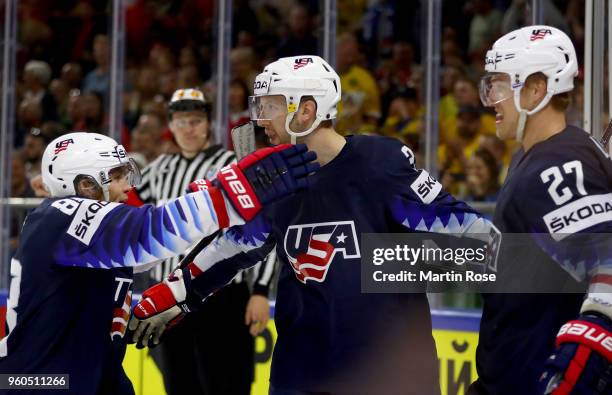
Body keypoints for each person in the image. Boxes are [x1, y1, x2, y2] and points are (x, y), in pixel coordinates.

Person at [129, 55, 496, 395]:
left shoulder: (378, 163)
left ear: (306, 110)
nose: (259, 118)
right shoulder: (273, 176)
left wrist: (383, 264)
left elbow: (476, 239)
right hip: (301, 375)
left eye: (270, 105)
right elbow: (234, 246)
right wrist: (179, 291)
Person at [0, 131, 316, 395]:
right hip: (39, 381)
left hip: (89, 375)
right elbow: (153, 233)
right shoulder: (58, 216)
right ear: (84, 185)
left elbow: (175, 248)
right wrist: (238, 190)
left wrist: (246, 233)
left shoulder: (93, 239)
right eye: (116, 175)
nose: (129, 185)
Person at [470, 25, 612, 394]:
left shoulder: (557, 163)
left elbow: (607, 259)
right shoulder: (536, 157)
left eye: (500, 85)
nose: (491, 100)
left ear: (536, 89)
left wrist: (590, 347)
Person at [128, 88, 276, 395]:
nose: (189, 129)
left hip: (221, 294)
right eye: (181, 122)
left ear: (208, 123)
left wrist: (260, 290)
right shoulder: (160, 169)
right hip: (168, 295)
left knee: (227, 382)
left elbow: (266, 227)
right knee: (180, 382)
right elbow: (128, 213)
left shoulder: (233, 162)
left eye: (195, 121)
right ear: (171, 124)